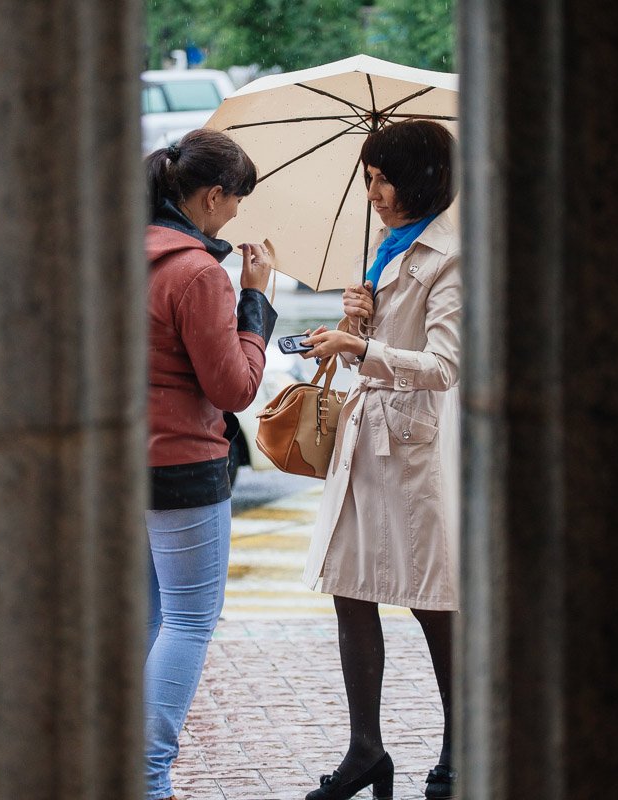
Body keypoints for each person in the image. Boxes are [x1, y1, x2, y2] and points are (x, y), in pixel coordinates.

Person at [299, 120, 461, 800]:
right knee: (351, 589)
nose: (372, 192)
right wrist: (357, 322)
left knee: (433, 600)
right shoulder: (390, 248)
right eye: (367, 179)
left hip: (414, 452)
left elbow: (445, 365)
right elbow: (385, 346)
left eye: (380, 179)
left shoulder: (452, 256)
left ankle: (463, 747)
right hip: (364, 447)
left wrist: (361, 348)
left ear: (416, 179)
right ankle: (366, 749)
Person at [143, 128, 277, 800]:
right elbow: (234, 389)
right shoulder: (197, 273)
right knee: (190, 620)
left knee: (146, 617)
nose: (235, 216)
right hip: (182, 467)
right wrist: (255, 300)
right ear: (211, 195)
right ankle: (147, 776)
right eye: (234, 202)